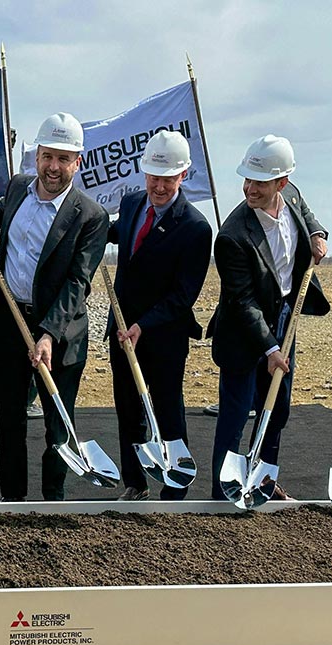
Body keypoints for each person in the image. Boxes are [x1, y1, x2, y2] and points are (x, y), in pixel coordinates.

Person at [0, 113, 109, 501]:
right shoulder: (18, 187)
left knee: (57, 424)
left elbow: (77, 283)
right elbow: (2, 205)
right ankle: (13, 499)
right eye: (47, 156)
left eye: (63, 159)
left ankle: (52, 501)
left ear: (77, 162)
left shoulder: (91, 216)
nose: (53, 167)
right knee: (8, 417)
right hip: (10, 323)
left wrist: (48, 334)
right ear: (37, 156)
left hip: (60, 333)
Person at [206, 135, 328, 500]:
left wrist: (317, 233)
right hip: (242, 330)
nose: (250, 188)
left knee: (276, 409)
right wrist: (271, 349)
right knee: (235, 414)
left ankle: (263, 482)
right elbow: (243, 302)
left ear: (282, 183)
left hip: (285, 315)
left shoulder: (293, 197)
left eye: (259, 182)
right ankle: (222, 493)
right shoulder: (232, 236)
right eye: (247, 180)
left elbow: (305, 212)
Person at [107, 131, 212, 501]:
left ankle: (175, 487)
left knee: (167, 410)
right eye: (154, 177)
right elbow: (112, 233)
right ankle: (135, 484)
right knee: (128, 410)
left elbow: (183, 296)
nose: (160, 186)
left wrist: (144, 325)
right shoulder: (132, 203)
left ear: (183, 175)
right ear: (144, 172)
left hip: (164, 335)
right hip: (122, 329)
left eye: (168, 178)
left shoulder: (196, 228)